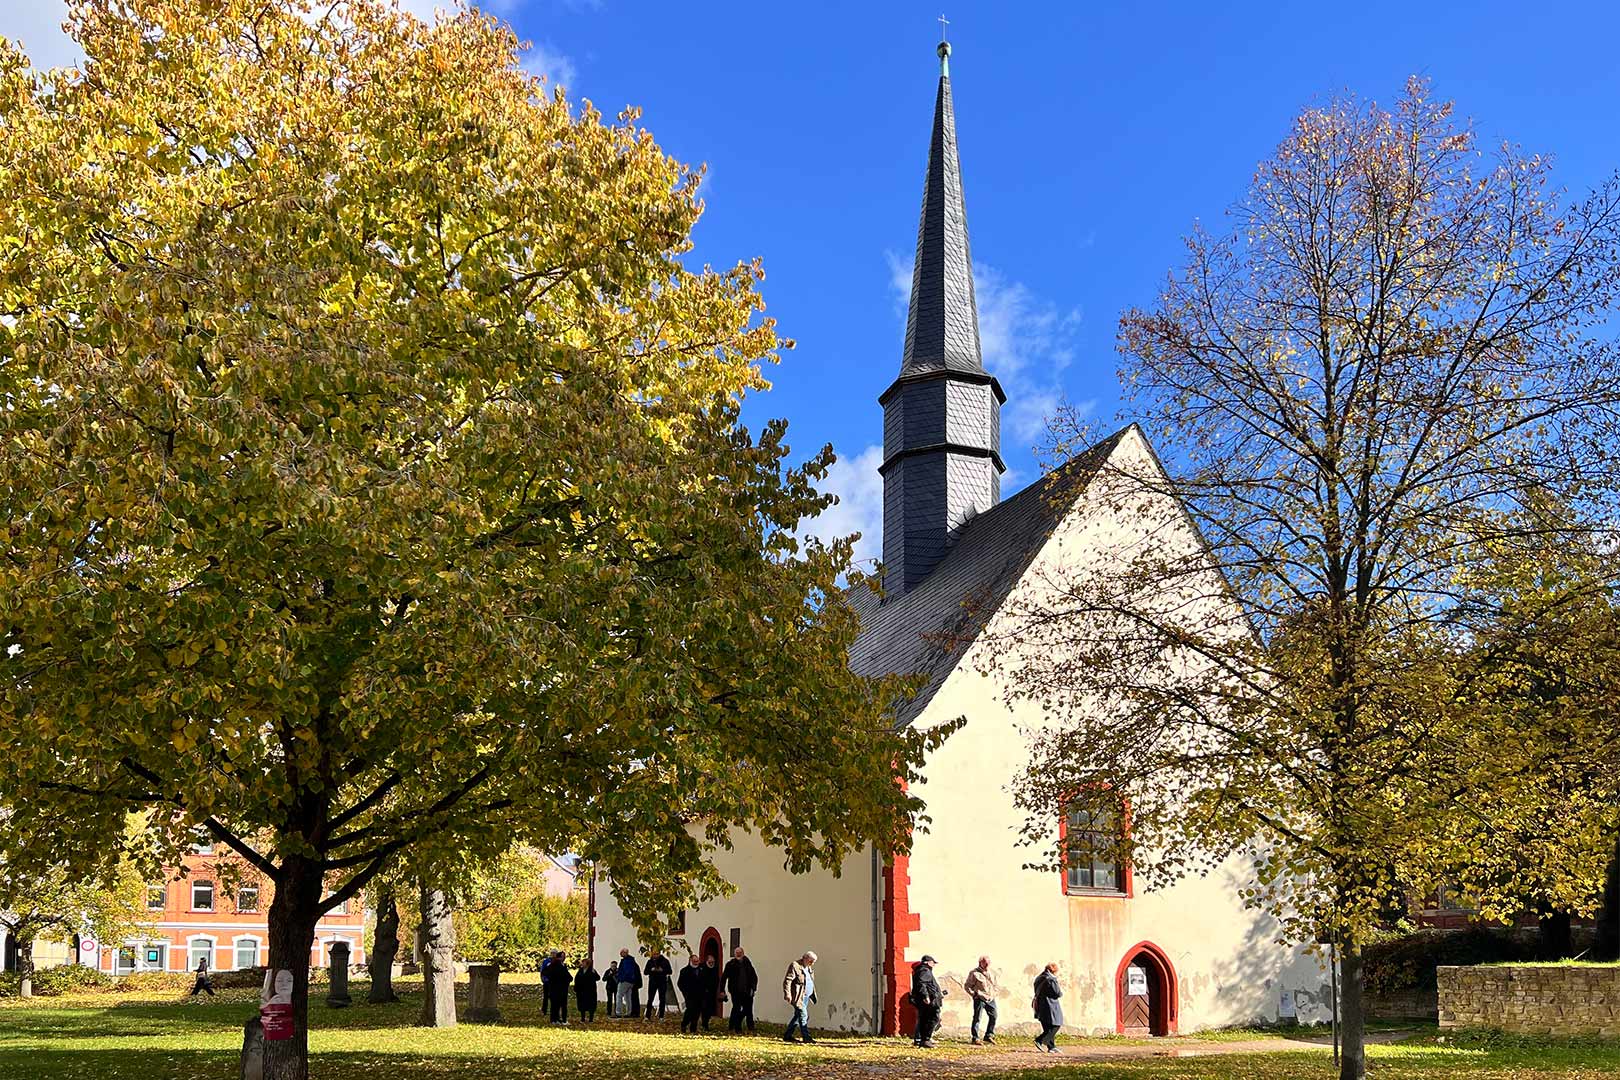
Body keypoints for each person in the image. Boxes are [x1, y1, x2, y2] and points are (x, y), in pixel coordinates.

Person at [781, 950, 817, 1043]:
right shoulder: (795, 965)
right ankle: (806, 1037)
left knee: (798, 1016)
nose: (812, 964)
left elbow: (809, 980)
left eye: (813, 962)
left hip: (806, 996)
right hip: (798, 997)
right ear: (805, 958)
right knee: (803, 1016)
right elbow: (787, 981)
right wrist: (787, 994)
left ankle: (787, 1036)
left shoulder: (808, 967)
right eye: (811, 961)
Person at [910, 954, 944, 1048]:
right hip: (929, 1001)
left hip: (929, 999)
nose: (934, 965)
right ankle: (925, 1039)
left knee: (925, 1019)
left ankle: (924, 1040)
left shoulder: (923, 970)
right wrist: (926, 996)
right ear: (928, 962)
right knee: (932, 1018)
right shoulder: (924, 971)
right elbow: (922, 984)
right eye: (933, 963)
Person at [723, 946, 758, 1033]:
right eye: (737, 953)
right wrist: (722, 990)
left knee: (748, 1010)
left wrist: (753, 988)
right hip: (735, 991)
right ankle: (735, 1027)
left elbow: (754, 977)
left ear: (743, 953)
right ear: (734, 954)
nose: (738, 954)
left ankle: (750, 1027)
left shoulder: (748, 963)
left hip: (747, 991)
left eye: (740, 953)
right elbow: (724, 978)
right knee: (736, 1008)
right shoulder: (730, 964)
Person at [964, 955, 998, 1045]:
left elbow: (995, 985)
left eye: (988, 963)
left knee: (994, 1016)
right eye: (985, 963)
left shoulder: (992, 973)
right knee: (977, 1018)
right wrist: (973, 994)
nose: (987, 965)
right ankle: (975, 1038)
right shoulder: (974, 973)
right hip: (980, 998)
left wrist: (994, 994)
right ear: (980, 963)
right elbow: (967, 986)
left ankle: (989, 1035)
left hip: (990, 998)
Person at [1033, 962, 1064, 1053]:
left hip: (1040, 1003)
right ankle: (1040, 1040)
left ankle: (1051, 1046)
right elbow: (1057, 993)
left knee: (1047, 1025)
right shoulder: (1051, 979)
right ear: (1053, 971)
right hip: (1050, 1004)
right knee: (1056, 1024)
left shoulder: (1038, 978)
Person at [644, 947, 674, 1019]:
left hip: (662, 981)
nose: (655, 955)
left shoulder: (665, 961)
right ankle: (647, 1016)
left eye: (657, 954)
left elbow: (670, 971)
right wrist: (651, 970)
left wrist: (662, 970)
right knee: (650, 998)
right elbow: (645, 972)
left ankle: (661, 1016)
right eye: (654, 954)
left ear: (660, 953)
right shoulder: (650, 961)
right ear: (652, 954)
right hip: (652, 981)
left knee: (662, 999)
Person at [677, 954, 704, 1034]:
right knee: (690, 1010)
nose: (696, 963)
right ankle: (684, 1024)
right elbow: (680, 983)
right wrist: (685, 992)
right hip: (689, 995)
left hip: (700, 995)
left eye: (697, 961)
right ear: (690, 961)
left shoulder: (702, 970)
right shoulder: (684, 971)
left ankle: (693, 1029)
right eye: (694, 961)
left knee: (697, 1012)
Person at [543, 950, 572, 1024]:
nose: (564, 958)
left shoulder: (558, 965)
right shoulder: (557, 966)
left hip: (558, 987)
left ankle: (555, 1019)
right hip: (558, 988)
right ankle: (561, 1020)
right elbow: (566, 976)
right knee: (559, 1005)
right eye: (562, 957)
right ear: (558, 958)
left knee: (556, 1005)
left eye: (564, 957)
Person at [616, 948, 643, 1019]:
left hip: (625, 980)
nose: (620, 953)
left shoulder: (626, 961)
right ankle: (629, 1012)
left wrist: (621, 978)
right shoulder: (632, 961)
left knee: (619, 995)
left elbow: (627, 971)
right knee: (628, 997)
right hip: (631, 982)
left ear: (625, 953)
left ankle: (618, 1012)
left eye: (621, 952)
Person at [574, 956, 601, 1022]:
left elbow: (598, 978)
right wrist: (576, 987)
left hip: (590, 991)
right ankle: (582, 1018)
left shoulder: (592, 970)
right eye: (582, 963)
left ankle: (591, 1018)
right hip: (581, 990)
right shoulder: (580, 970)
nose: (582, 964)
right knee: (582, 1004)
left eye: (584, 963)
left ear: (587, 964)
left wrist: (594, 973)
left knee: (591, 1004)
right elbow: (576, 979)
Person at [699, 952, 721, 1030]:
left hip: (712, 992)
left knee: (710, 1009)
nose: (711, 963)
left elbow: (717, 979)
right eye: (710, 962)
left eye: (713, 962)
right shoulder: (701, 967)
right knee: (704, 1008)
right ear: (707, 961)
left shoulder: (715, 968)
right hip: (703, 992)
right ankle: (704, 1024)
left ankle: (706, 1022)